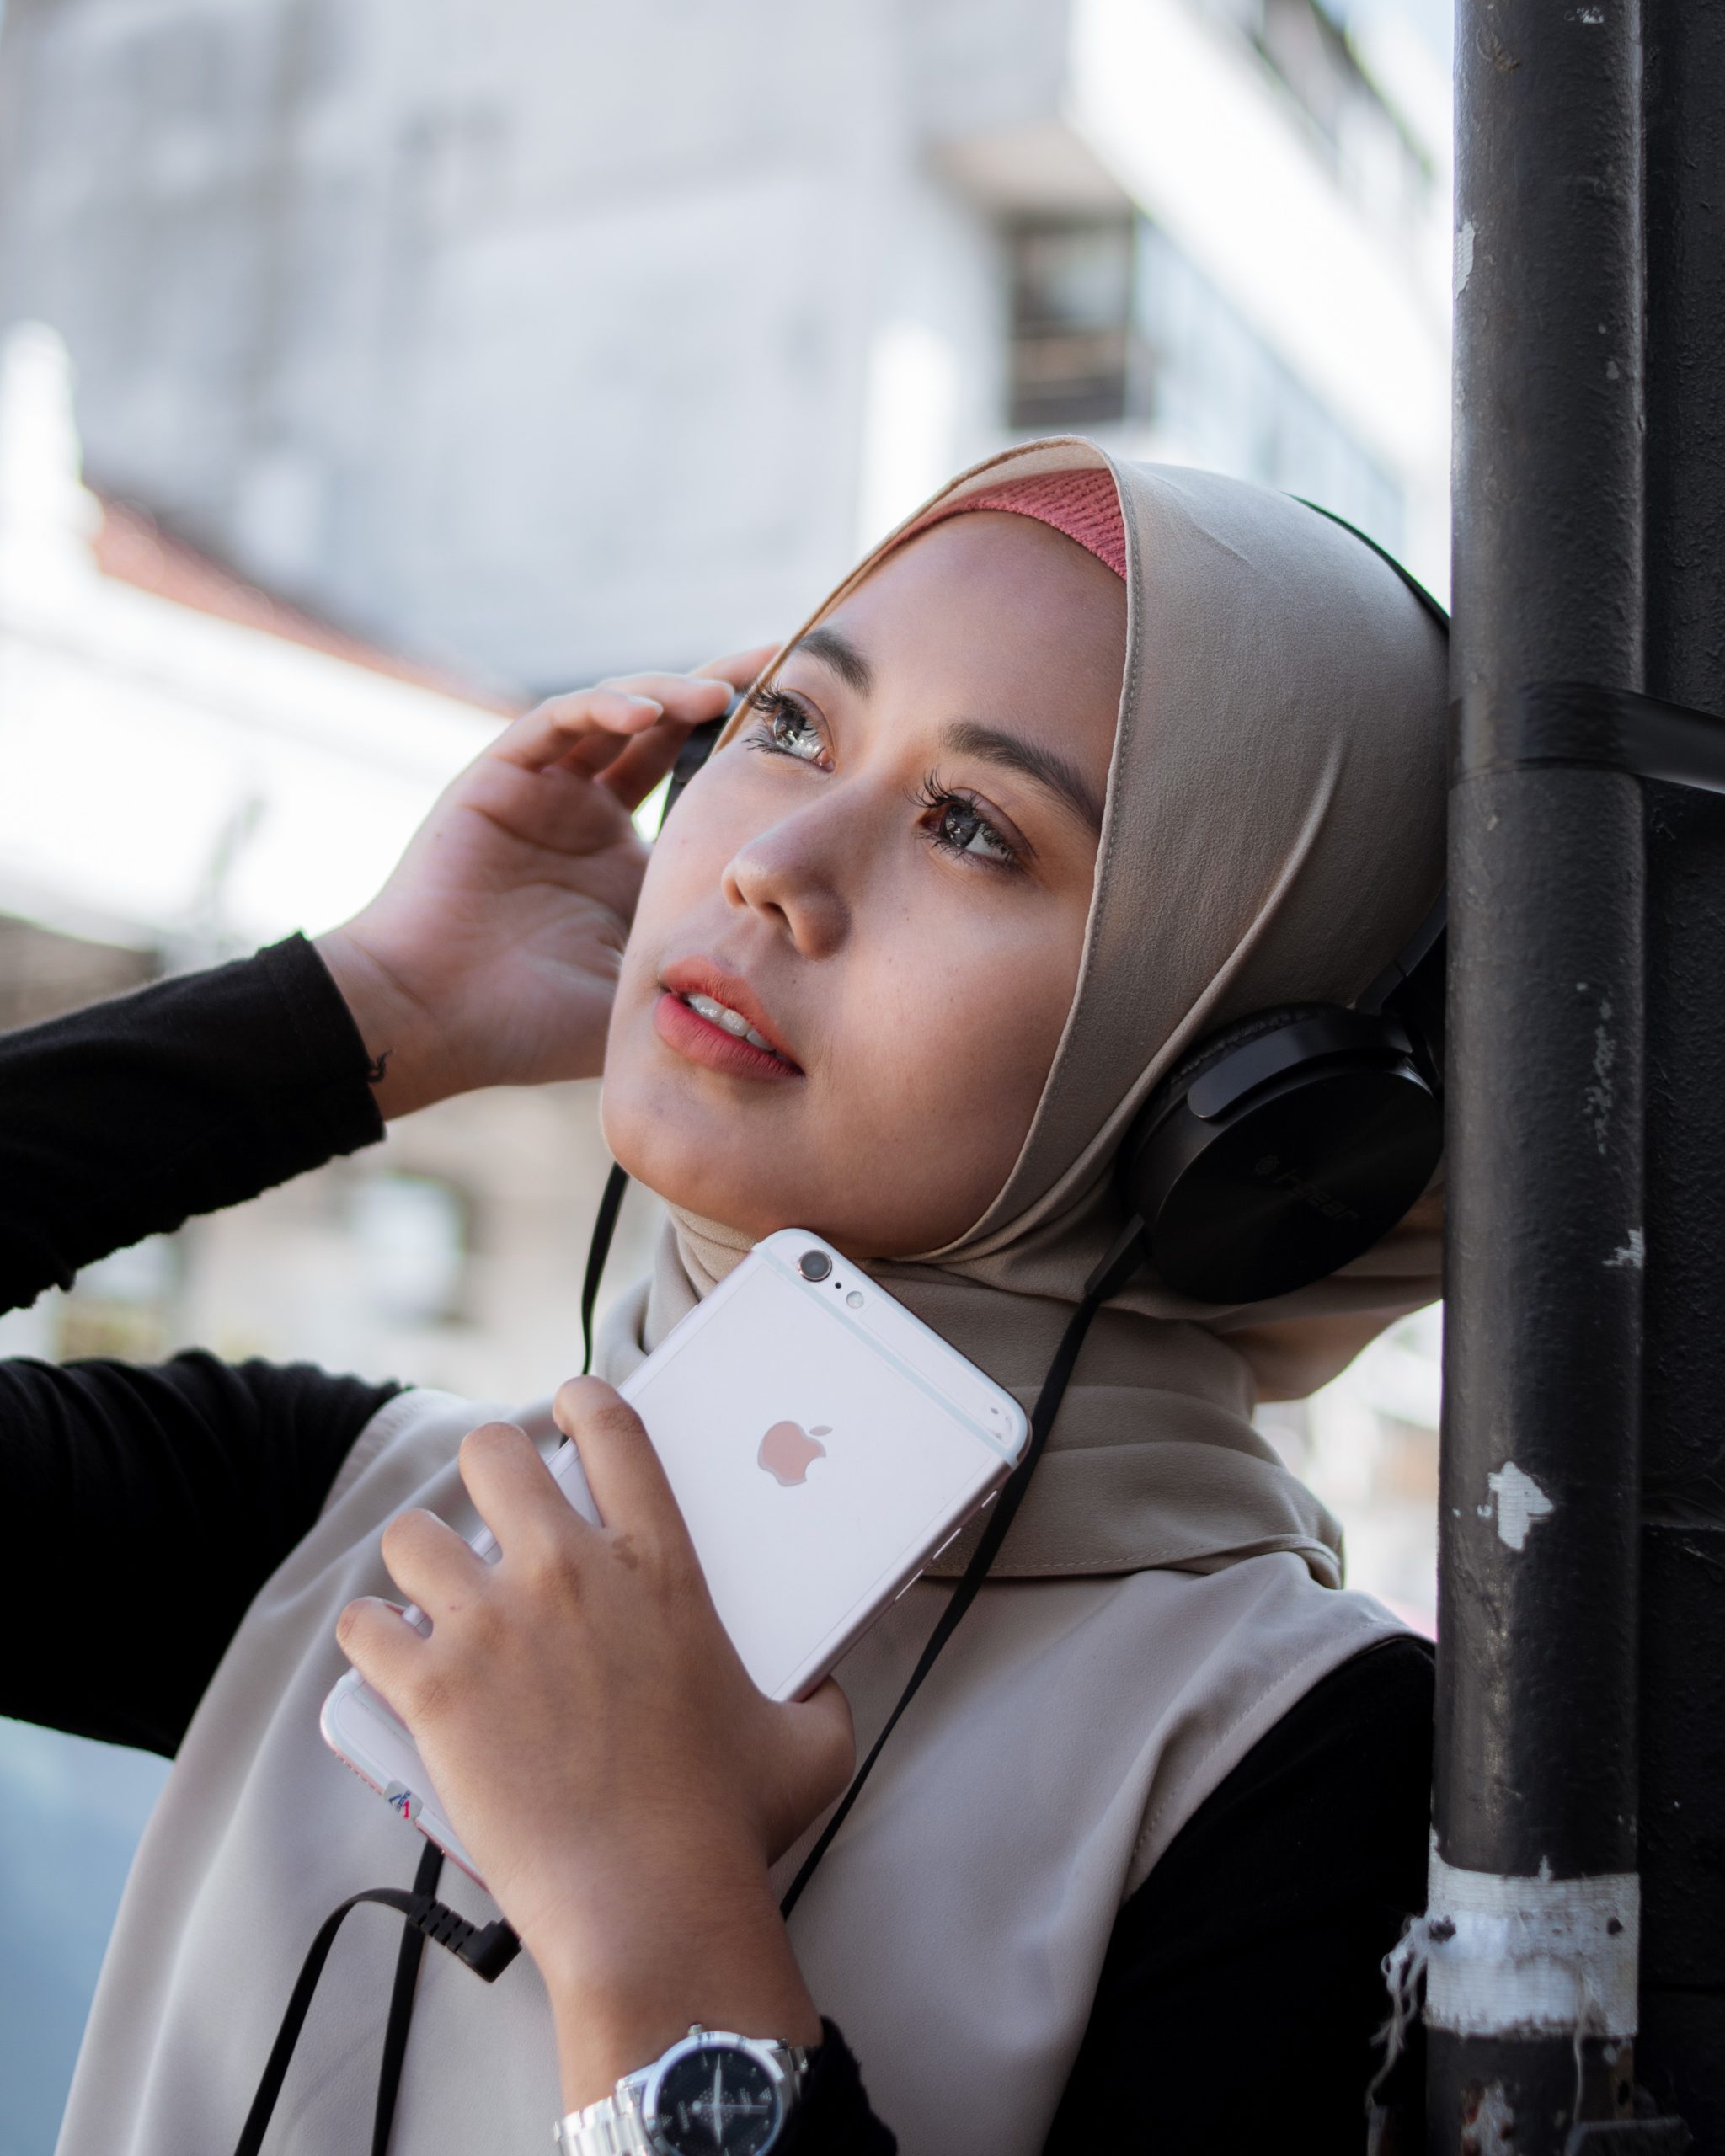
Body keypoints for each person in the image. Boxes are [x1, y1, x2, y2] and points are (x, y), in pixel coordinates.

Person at [3, 440, 1444, 2154]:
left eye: (972, 825)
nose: (774, 859)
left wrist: (650, 1924)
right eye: (786, 726)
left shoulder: (1298, 1758)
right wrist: (365, 1007)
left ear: (1237, 1081)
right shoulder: (367, 1521)